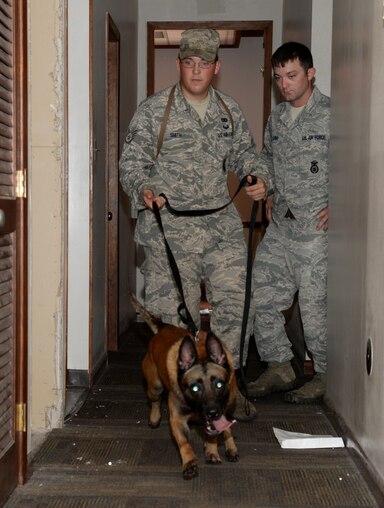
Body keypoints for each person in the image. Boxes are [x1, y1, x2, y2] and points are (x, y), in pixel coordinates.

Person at [119, 28, 270, 420]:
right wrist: (144, 189)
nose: (197, 70)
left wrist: (258, 178)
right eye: (189, 63)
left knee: (236, 310)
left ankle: (230, 394)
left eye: (204, 63)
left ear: (216, 67)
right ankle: (181, 401)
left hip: (220, 227)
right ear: (179, 65)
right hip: (170, 228)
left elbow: (246, 156)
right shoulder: (154, 111)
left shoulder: (229, 111)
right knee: (173, 319)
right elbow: (130, 164)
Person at [248, 41, 331, 403]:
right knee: (261, 295)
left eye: (292, 75)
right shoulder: (277, 118)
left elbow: (356, 167)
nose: (285, 84)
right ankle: (280, 364)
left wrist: (343, 205)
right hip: (280, 224)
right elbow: (267, 158)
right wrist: (263, 186)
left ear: (311, 73)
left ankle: (326, 374)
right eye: (279, 77)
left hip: (315, 228)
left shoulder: (333, 114)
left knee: (314, 309)